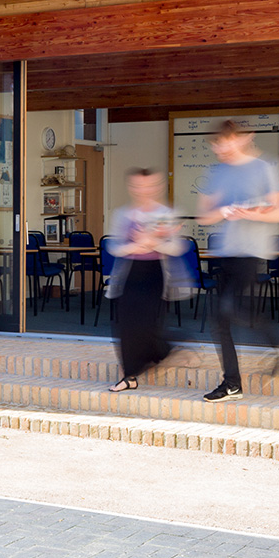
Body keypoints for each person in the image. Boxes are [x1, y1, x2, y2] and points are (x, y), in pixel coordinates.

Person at [196, 120, 279, 401]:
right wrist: (226, 210)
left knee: (228, 310)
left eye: (225, 143)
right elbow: (205, 216)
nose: (219, 149)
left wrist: (251, 212)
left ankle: (263, 357)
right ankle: (234, 382)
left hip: (252, 251)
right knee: (224, 318)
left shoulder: (265, 168)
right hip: (226, 251)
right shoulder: (216, 172)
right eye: (216, 144)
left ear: (243, 139)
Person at [103, 167, 186, 392]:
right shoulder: (123, 214)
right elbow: (114, 246)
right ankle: (129, 375)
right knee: (126, 324)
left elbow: (177, 247)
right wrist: (135, 245)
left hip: (155, 274)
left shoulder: (165, 214)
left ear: (157, 187)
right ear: (131, 187)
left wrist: (153, 243)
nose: (143, 190)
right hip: (130, 273)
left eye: (148, 185)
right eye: (138, 186)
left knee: (148, 324)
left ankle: (161, 350)